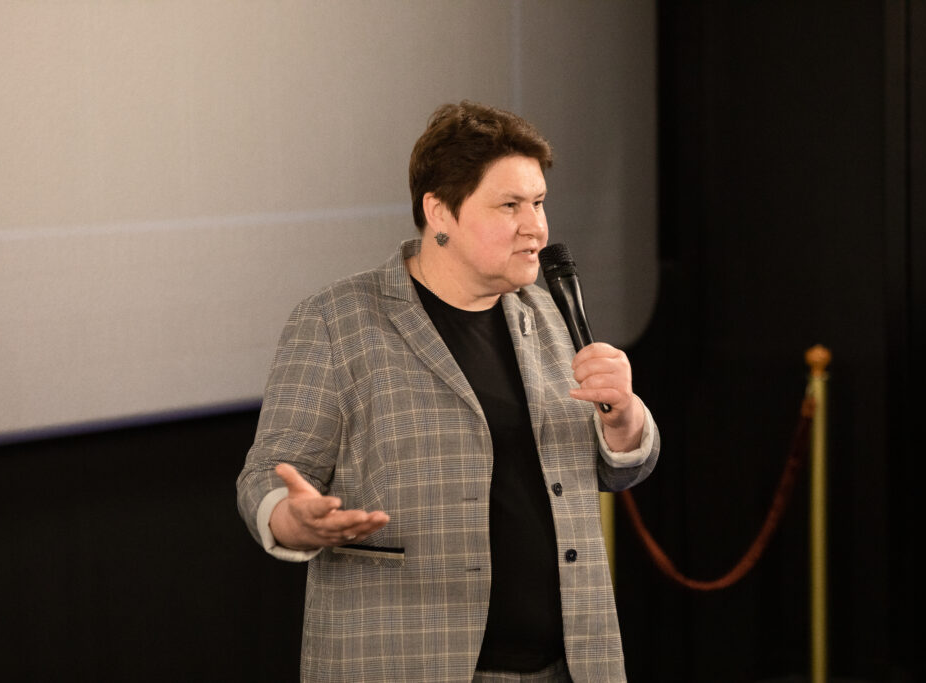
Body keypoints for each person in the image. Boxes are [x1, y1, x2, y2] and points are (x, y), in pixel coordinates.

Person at [237, 101, 660, 682]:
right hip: (408, 664)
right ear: (439, 211)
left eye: (538, 202)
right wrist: (291, 519)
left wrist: (625, 422)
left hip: (569, 665)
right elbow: (265, 475)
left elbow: (610, 470)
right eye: (509, 205)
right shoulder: (337, 321)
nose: (535, 227)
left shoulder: (548, 312)